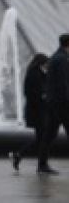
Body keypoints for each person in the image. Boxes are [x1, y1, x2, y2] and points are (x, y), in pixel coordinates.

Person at [10, 54, 53, 173]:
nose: (48, 65)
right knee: (42, 138)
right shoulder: (34, 75)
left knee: (41, 139)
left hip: (37, 111)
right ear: (41, 63)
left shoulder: (38, 73)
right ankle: (40, 164)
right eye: (46, 63)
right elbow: (32, 93)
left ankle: (20, 156)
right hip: (37, 112)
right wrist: (43, 96)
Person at [43, 33, 69, 174]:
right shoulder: (62, 59)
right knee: (49, 135)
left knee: (49, 135)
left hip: (55, 103)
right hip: (61, 104)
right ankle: (42, 165)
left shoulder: (56, 57)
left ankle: (42, 164)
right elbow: (63, 83)